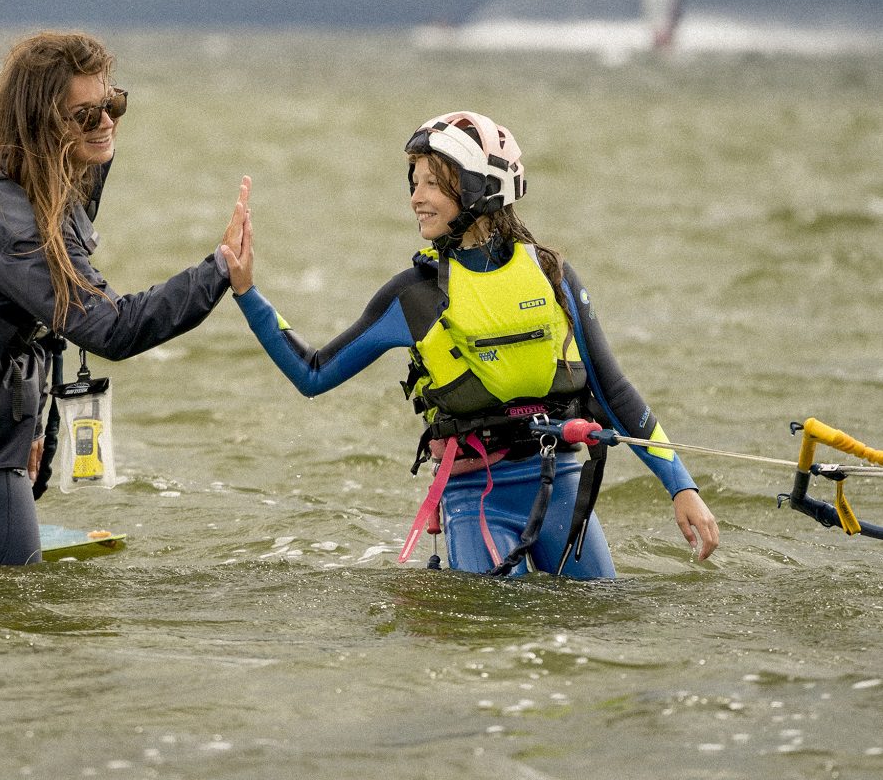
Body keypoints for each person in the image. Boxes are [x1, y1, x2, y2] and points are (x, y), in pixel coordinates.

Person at [220, 111, 718, 578]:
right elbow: (312, 374)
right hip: (475, 498)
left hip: (562, 490)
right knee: (491, 634)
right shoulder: (413, 297)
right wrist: (245, 291)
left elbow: (613, 390)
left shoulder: (551, 277)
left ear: (480, 189)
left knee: (599, 621)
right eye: (414, 183)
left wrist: (682, 487)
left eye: (433, 182)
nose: (416, 196)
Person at [0, 31, 252, 567]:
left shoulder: (11, 171)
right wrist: (219, 269)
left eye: (113, 104)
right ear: (42, 123)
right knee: (10, 605)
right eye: (86, 116)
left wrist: (26, 426)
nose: (107, 122)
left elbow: (36, 312)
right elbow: (111, 327)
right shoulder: (11, 223)